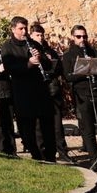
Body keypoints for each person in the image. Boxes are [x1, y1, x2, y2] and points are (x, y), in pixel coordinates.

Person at [62, 24, 97, 168]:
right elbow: (68, 77)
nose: (82, 39)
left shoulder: (95, 52)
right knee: (88, 130)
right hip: (83, 96)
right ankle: (94, 159)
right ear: (72, 37)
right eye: (78, 37)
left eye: (84, 36)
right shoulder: (68, 56)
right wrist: (84, 70)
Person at [0, 16, 57, 162]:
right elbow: (9, 68)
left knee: (46, 124)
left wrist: (41, 58)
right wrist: (29, 64)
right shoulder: (7, 47)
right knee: (28, 126)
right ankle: (36, 155)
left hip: (40, 89)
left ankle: (50, 156)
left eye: (25, 28)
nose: (24, 31)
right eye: (21, 29)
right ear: (13, 29)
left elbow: (48, 65)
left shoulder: (33, 43)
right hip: (22, 91)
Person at [29, 23, 71, 162]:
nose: (40, 38)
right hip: (37, 90)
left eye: (42, 35)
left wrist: (51, 65)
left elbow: (59, 68)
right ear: (31, 36)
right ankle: (42, 154)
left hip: (52, 89)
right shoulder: (28, 49)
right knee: (39, 126)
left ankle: (62, 151)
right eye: (37, 35)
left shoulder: (49, 51)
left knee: (57, 125)